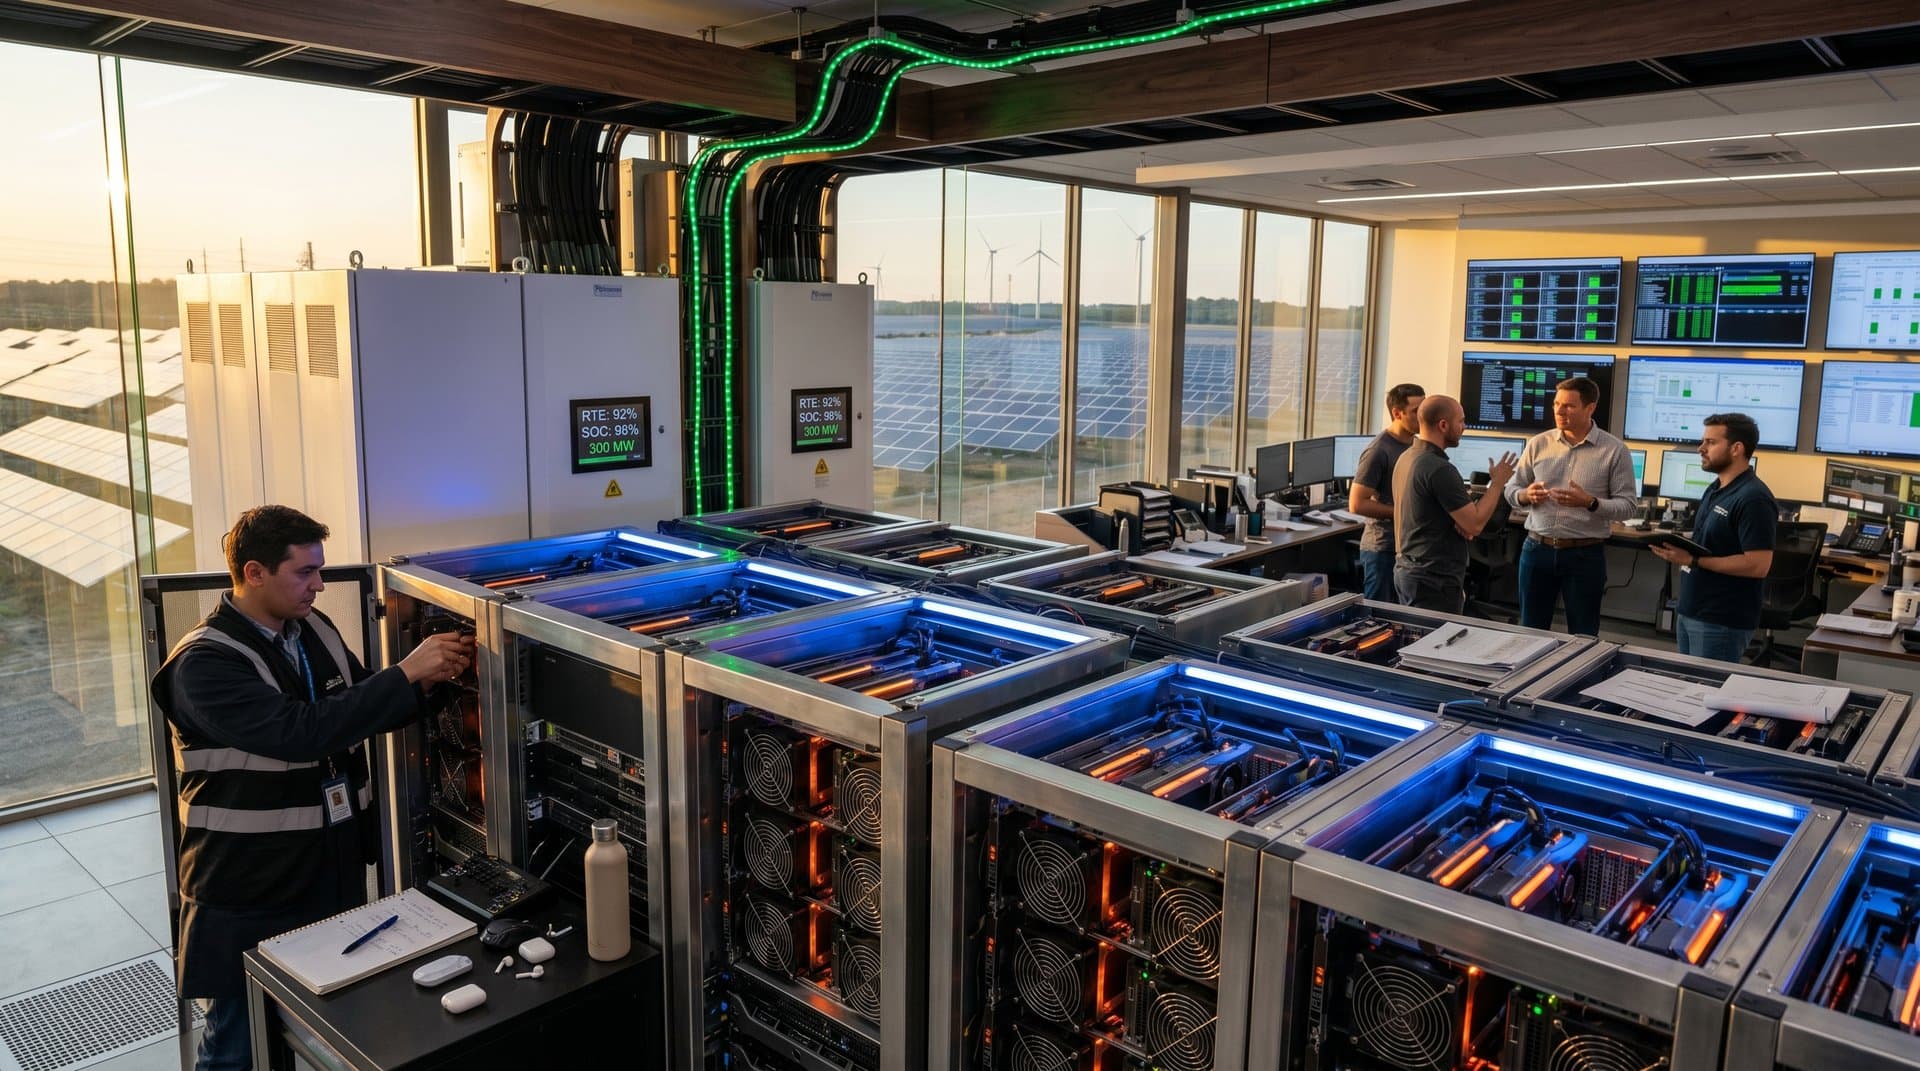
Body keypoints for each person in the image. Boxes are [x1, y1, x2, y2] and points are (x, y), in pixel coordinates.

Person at [151, 506, 475, 1071]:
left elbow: (355, 706)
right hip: (246, 885)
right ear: (253, 573)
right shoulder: (203, 665)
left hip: (325, 870)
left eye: (320, 570)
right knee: (240, 1045)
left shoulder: (313, 629)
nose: (319, 584)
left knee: (324, 1025)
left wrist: (433, 685)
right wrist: (405, 673)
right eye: (304, 572)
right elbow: (300, 733)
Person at [1503, 377, 1640, 636]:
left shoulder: (1614, 450)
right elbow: (1511, 490)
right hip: (1536, 549)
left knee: (1583, 633)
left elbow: (1628, 507)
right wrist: (1525, 495)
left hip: (1584, 555)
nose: (1559, 411)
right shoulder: (1538, 443)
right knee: (1529, 632)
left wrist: (1589, 503)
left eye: (1569, 406)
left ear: (1590, 408)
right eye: (1556, 404)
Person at [1649, 413, 1777, 663]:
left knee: (1706, 692)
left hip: (1720, 619)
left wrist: (1694, 560)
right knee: (1688, 687)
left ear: (1736, 448)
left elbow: (1758, 565)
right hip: (1692, 609)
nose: (1701, 448)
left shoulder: (1754, 499)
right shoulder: (1716, 488)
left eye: (1710, 442)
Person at [1392, 395, 1518, 612]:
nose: (1464, 427)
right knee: (1437, 644)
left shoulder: (1407, 457)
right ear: (1443, 425)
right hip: (1434, 579)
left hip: (1409, 570)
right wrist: (1498, 483)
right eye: (1461, 421)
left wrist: (1459, 522)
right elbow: (1475, 525)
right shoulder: (1439, 468)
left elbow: (1428, 512)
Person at [1349, 382, 1425, 602]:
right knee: (1378, 617)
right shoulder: (1378, 451)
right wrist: (1403, 512)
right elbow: (1357, 504)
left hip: (1407, 547)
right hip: (1382, 549)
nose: (1422, 417)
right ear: (1397, 413)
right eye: (1415, 411)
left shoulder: (1416, 444)